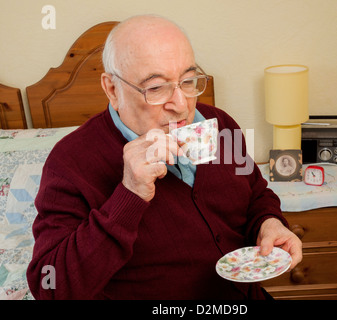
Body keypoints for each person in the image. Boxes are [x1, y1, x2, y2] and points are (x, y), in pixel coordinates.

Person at [27, 14, 302, 300]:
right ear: (112, 90)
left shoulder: (221, 124)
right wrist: (129, 195)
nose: (181, 105)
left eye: (188, 80)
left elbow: (256, 193)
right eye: (156, 88)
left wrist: (269, 222)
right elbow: (51, 287)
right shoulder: (70, 163)